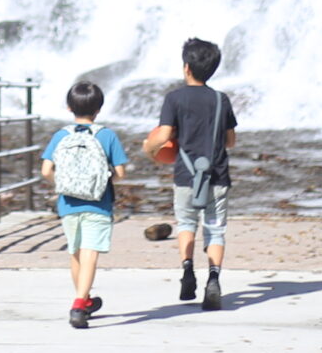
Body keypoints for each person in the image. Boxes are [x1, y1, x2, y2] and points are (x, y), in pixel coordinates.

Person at [146, 36, 236, 310]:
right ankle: (214, 278)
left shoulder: (174, 98)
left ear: (186, 67)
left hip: (186, 174)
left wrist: (148, 149)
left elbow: (163, 136)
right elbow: (230, 141)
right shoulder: (222, 99)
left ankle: (187, 270)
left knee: (186, 223)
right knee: (215, 229)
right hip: (217, 174)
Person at [41, 79, 128, 328]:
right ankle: (79, 304)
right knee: (90, 253)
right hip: (98, 203)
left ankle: (85, 299)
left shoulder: (60, 136)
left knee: (76, 253)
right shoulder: (107, 135)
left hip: (68, 203)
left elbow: (46, 169)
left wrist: (64, 183)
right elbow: (121, 173)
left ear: (69, 108)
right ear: (99, 109)